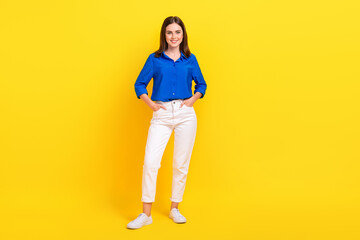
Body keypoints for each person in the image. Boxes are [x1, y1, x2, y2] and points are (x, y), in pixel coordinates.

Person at [127, 16, 207, 229]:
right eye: (170, 32)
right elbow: (139, 84)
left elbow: (202, 84)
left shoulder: (190, 59)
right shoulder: (155, 59)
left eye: (177, 32)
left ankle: (174, 208)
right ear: (164, 35)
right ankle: (146, 214)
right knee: (151, 162)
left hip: (185, 114)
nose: (174, 36)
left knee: (181, 163)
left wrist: (191, 100)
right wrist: (151, 104)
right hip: (161, 114)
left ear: (183, 35)